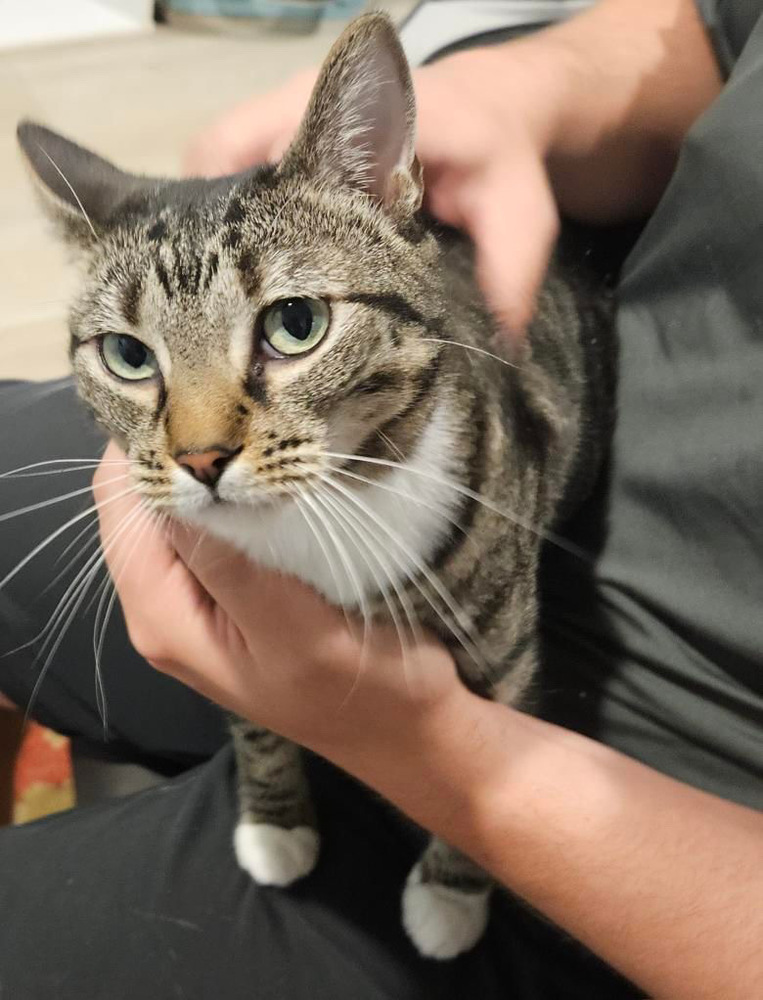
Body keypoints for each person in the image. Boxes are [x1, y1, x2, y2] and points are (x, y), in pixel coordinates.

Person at [0, 0, 761, 996]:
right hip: (346, 456)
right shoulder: (201, 438)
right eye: (130, 353)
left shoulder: (469, 493)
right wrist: (525, 87)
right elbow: (716, 26)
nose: (200, 444)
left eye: (293, 321)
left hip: (653, 794)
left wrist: (445, 768)